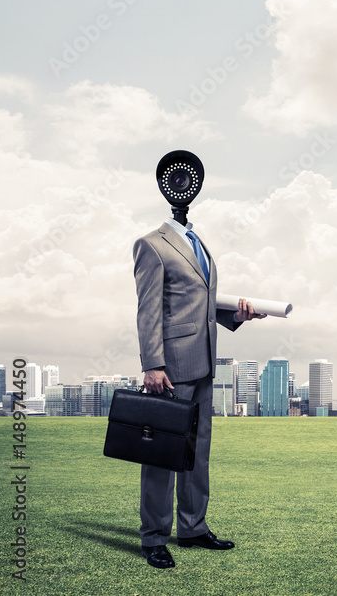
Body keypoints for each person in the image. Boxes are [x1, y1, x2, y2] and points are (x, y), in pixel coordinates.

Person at [133, 216, 265, 569]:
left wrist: (236, 316)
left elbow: (198, 303)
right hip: (171, 366)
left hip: (204, 361)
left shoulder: (197, 242)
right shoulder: (151, 245)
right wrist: (152, 364)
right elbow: (148, 308)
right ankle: (154, 538)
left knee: (196, 453)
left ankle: (192, 528)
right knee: (162, 455)